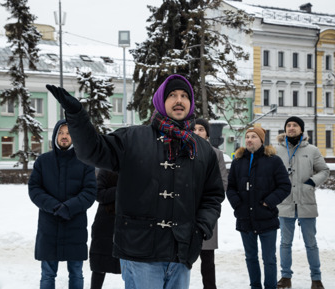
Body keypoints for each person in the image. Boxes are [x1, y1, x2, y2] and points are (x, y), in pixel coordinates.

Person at [46, 74, 225, 289]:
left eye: (185, 95)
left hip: (181, 252)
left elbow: (213, 195)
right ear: (160, 101)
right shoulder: (133, 138)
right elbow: (93, 150)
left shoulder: (202, 149)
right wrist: (77, 116)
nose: (179, 100)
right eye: (173, 95)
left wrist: (200, 229)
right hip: (140, 252)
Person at [28, 119, 97, 289]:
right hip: (49, 226)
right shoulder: (43, 161)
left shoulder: (85, 162)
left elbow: (89, 192)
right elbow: (34, 189)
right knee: (47, 274)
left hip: (75, 226)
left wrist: (68, 208)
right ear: (55, 136)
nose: (64, 136)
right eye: (61, 133)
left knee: (76, 273)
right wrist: (54, 206)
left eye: (68, 133)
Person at [227, 126, 291, 289]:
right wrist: (238, 204)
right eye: (247, 136)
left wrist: (268, 202)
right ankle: (255, 286)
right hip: (244, 218)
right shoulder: (238, 161)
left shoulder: (273, 161)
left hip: (266, 217)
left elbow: (284, 186)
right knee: (250, 257)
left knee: (269, 258)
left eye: (253, 136)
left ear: (261, 140)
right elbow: (231, 187)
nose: (249, 139)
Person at [275, 116, 329, 289]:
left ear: (301, 129)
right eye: (288, 125)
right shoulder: (277, 151)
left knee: (311, 243)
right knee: (285, 243)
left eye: (295, 125)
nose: (291, 128)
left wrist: (311, 182)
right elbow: (270, 174)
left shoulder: (312, 150)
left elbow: (324, 170)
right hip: (285, 203)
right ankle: (285, 277)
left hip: (306, 203)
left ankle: (316, 278)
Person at [194, 118, 228, 289]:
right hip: (184, 211)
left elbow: (222, 183)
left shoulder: (216, 154)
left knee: (207, 259)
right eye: (194, 129)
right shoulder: (182, 151)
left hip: (207, 211)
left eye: (201, 129)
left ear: (207, 133)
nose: (198, 132)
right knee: (179, 259)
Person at [89, 169, 121, 288]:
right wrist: (121, 189)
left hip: (128, 222)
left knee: (131, 269)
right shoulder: (105, 169)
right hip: (105, 223)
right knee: (99, 265)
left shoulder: (135, 168)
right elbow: (99, 194)